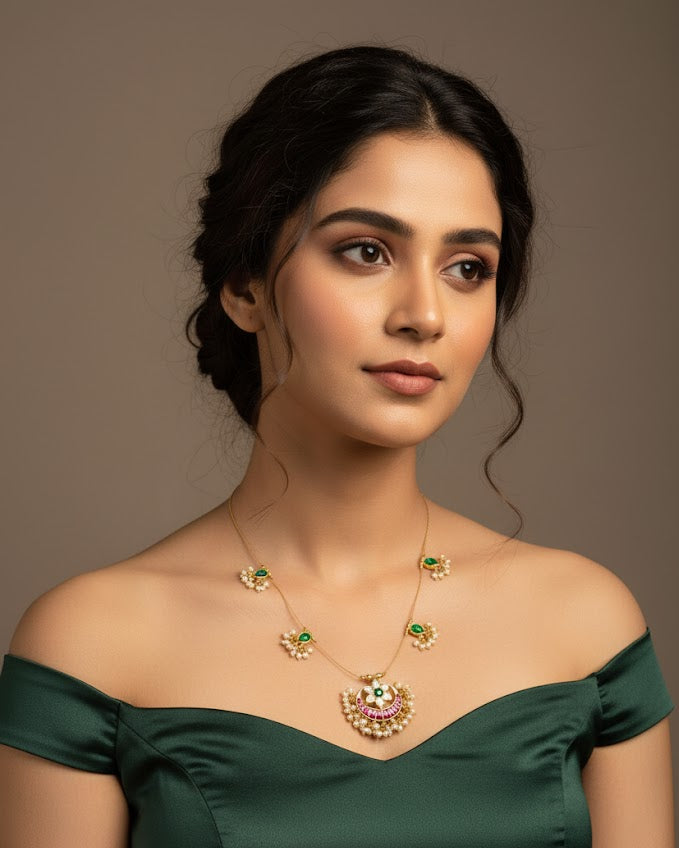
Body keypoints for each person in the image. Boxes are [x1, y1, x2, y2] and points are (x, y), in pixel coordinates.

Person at [0, 43, 674, 848]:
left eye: (467, 267)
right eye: (366, 251)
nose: (424, 314)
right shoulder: (94, 640)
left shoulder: (584, 621)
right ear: (245, 287)